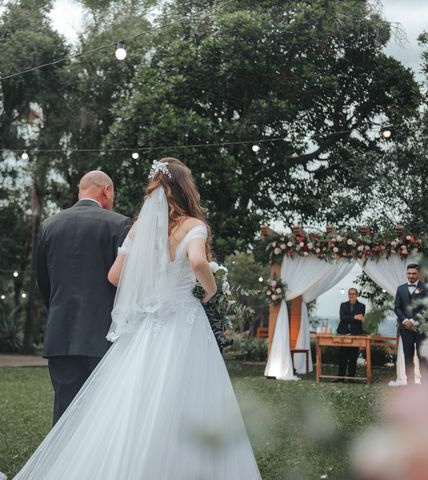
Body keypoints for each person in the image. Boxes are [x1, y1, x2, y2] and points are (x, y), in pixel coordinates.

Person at [14, 158, 260, 479]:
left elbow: (113, 276)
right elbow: (198, 261)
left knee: (116, 407)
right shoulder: (187, 225)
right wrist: (211, 289)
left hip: (123, 329)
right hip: (177, 323)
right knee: (187, 397)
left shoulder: (136, 227)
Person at [35, 170, 132, 424]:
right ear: (106, 191)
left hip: (61, 333)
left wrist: (59, 311)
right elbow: (126, 283)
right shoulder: (120, 224)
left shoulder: (49, 225)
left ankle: (59, 464)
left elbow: (43, 282)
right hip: (104, 334)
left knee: (65, 413)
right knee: (104, 415)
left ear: (81, 191)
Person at [394, 263, 428, 385]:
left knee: (422, 357)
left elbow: (425, 308)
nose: (411, 276)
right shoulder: (401, 288)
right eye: (409, 273)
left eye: (414, 273)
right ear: (406, 274)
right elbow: (397, 308)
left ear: (418, 274)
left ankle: (425, 383)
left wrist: (413, 320)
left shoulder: (425, 288)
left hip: (420, 328)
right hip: (405, 328)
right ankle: (410, 385)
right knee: (408, 357)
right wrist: (405, 321)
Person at [335, 288, 366, 381]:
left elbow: (360, 318)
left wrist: (351, 317)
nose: (351, 295)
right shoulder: (343, 305)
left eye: (353, 294)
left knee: (353, 357)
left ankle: (351, 378)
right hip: (343, 333)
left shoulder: (362, 306)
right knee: (342, 357)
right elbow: (342, 317)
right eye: (349, 294)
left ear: (357, 295)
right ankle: (340, 378)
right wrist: (355, 317)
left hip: (356, 334)